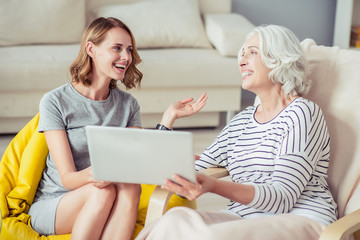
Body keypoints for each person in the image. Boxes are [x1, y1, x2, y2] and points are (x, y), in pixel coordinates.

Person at [135, 25, 338, 240]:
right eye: (242, 54)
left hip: (299, 218)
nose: (241, 61)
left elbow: (282, 198)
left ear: (279, 59)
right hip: (244, 219)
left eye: (252, 53)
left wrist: (214, 185)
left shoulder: (302, 112)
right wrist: (168, 119)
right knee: (172, 221)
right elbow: (188, 168)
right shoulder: (241, 121)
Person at [28, 17, 207, 240]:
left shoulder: (127, 104)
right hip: (57, 203)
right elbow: (68, 178)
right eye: (117, 48)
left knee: (130, 188)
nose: (126, 57)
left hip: (106, 196)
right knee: (102, 191)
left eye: (129, 50)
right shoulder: (55, 101)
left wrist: (169, 122)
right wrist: (100, 173)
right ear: (91, 49)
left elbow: (137, 160)